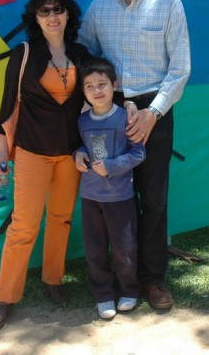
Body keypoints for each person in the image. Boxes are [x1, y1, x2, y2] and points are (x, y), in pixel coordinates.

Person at [78, 0, 191, 310]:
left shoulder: (169, 5)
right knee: (110, 196)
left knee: (153, 199)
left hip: (154, 109)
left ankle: (152, 279)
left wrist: (152, 113)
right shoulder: (98, 9)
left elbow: (180, 69)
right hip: (108, 113)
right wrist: (104, 100)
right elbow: (85, 60)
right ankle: (115, 278)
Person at [0, 0, 91, 335]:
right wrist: (0, 153)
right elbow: (7, 107)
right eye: (44, 11)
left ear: (68, 14)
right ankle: (5, 298)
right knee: (23, 226)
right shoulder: (24, 53)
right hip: (32, 152)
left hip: (70, 153)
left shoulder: (81, 54)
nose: (52, 16)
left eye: (58, 9)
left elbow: (94, 100)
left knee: (61, 219)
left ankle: (53, 279)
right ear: (36, 17)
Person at [73, 57, 146, 319]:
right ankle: (103, 295)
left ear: (114, 85)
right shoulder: (82, 121)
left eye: (102, 84)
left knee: (124, 248)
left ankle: (129, 290)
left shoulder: (125, 118)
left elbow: (138, 153)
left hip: (120, 197)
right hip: (90, 196)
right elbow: (83, 146)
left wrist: (112, 166)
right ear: (83, 91)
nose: (97, 91)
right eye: (90, 86)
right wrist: (78, 154)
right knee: (94, 249)